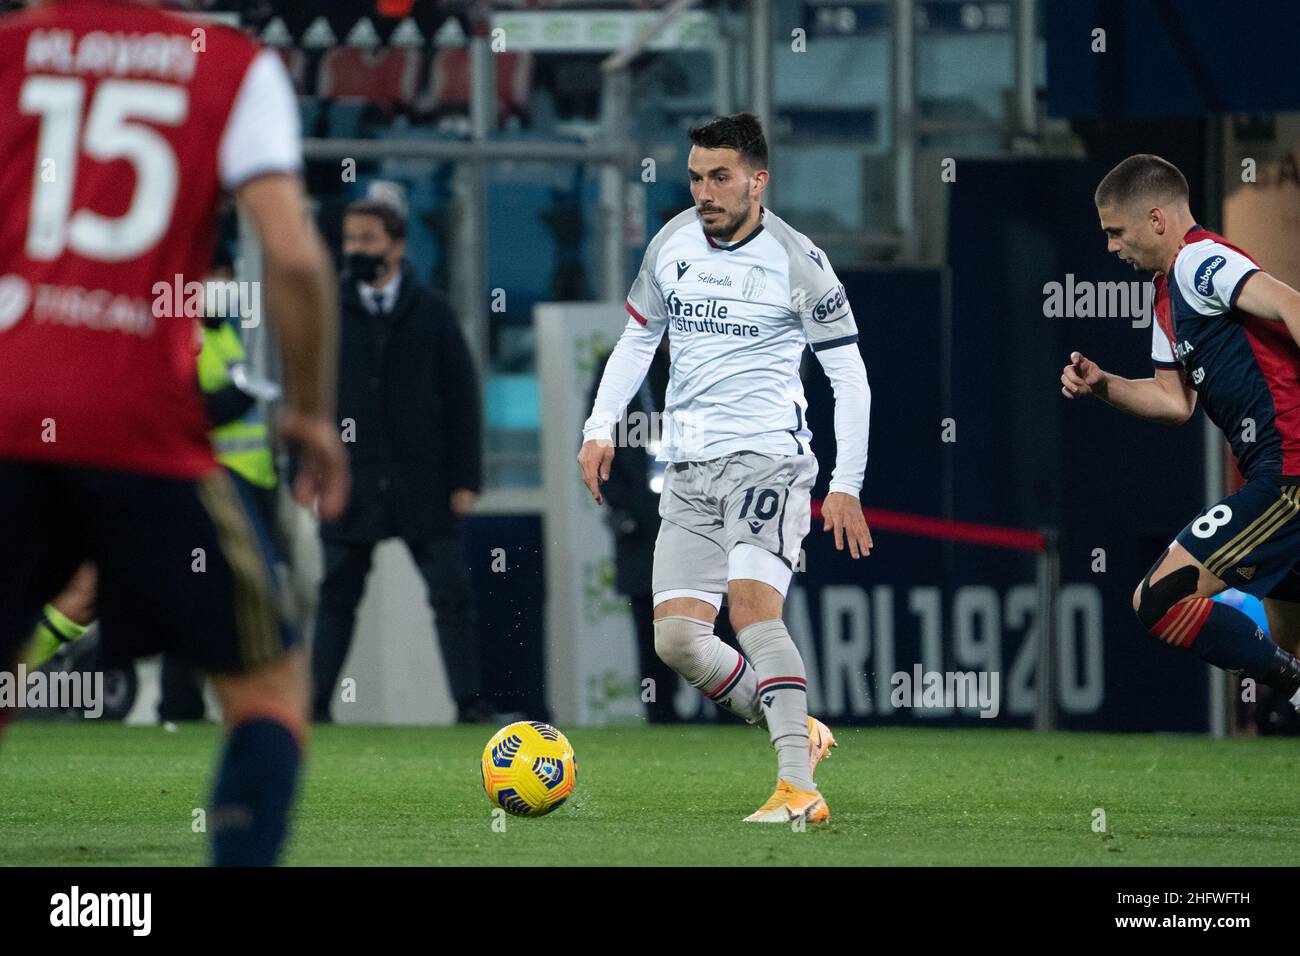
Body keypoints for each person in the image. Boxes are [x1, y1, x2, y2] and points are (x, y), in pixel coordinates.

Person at [0, 0, 349, 866]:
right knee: (267, 684)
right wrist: (308, 408)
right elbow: (295, 257)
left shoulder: (11, 52)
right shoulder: (232, 65)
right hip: (141, 432)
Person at [578, 113, 873, 823]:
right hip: (688, 469)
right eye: (695, 176)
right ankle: (793, 727)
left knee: (750, 611)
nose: (704, 191)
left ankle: (798, 788)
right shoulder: (673, 242)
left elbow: (850, 379)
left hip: (767, 461)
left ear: (756, 180)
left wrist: (846, 484)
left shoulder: (799, 261)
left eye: (719, 176)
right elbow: (636, 338)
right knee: (676, 640)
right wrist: (598, 429)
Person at [1064, 153, 1300, 707]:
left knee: (1157, 599)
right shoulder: (1167, 295)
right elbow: (1174, 403)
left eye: (1115, 232)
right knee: (1290, 641)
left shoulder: (1200, 261)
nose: (1110, 247)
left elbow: (1290, 302)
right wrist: (1104, 383)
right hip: (1274, 472)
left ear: (1156, 219)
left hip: (1288, 473)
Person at [310, 198, 490, 724]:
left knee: (450, 593)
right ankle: (315, 705)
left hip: (424, 480)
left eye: (367, 239)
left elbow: (462, 399)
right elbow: (312, 398)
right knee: (337, 595)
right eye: (350, 240)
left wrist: (466, 479)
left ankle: (468, 704)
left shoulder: (432, 311)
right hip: (351, 478)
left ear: (397, 245)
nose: (356, 250)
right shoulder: (328, 309)